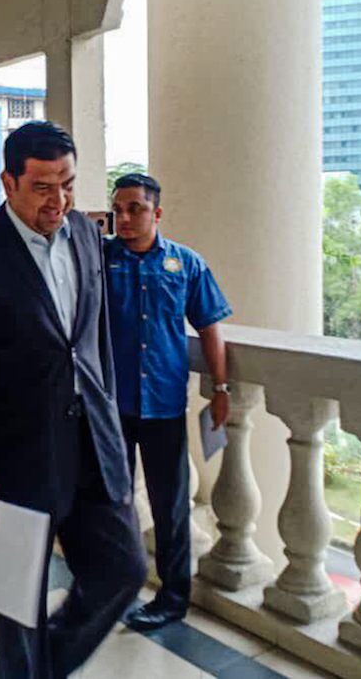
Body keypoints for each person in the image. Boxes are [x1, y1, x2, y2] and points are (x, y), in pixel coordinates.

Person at [0, 122, 147, 679]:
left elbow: (93, 343)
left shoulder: (84, 234)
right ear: (8, 182)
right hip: (8, 462)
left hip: (93, 450)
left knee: (123, 571)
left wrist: (115, 436)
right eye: (43, 188)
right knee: (12, 609)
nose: (60, 200)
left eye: (68, 184)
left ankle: (42, 669)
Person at [104, 173, 232, 631]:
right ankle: (113, 586)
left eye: (135, 209)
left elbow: (211, 327)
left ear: (156, 213)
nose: (124, 218)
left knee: (171, 507)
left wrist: (220, 389)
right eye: (118, 209)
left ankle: (172, 599)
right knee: (109, 499)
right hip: (111, 406)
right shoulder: (100, 261)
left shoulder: (186, 264)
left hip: (162, 405)